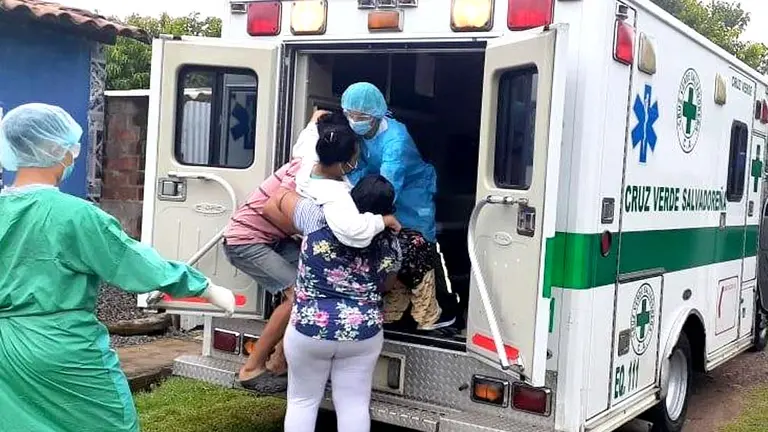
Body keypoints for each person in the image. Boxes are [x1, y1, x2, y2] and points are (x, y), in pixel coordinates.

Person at [0, 103, 235, 432]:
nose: (75, 153)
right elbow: (132, 262)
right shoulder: (75, 214)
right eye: (70, 147)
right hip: (62, 346)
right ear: (54, 148)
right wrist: (204, 287)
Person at [224, 111, 398, 392]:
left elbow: (308, 136)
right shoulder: (302, 172)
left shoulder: (320, 166)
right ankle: (251, 368)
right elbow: (272, 208)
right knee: (297, 295)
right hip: (248, 238)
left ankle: (279, 363)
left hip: (276, 238)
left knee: (308, 284)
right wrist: (312, 235)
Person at [282, 174, 402, 432]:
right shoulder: (391, 241)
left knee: (302, 401)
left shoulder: (315, 218)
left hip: (310, 327)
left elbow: (282, 198)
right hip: (363, 332)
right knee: (354, 404)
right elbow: (387, 285)